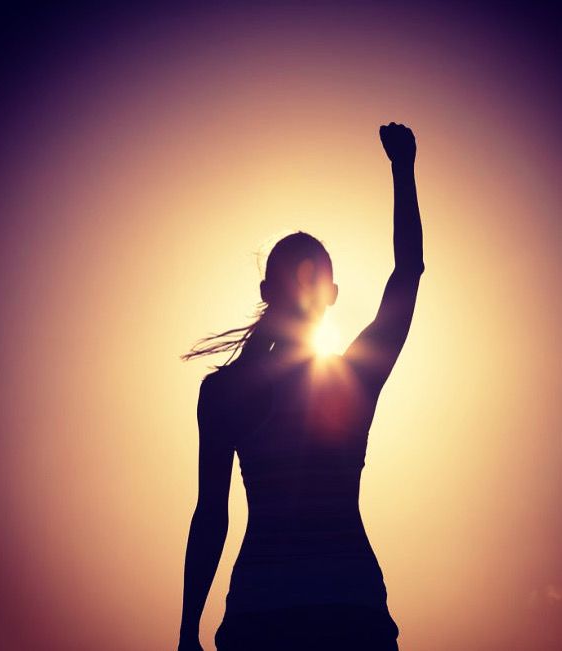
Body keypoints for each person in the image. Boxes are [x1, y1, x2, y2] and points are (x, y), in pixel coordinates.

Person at [177, 122, 425, 650]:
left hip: (263, 614)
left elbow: (210, 517)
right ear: (332, 295)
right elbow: (408, 273)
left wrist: (186, 631)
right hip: (347, 609)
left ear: (266, 290)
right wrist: (403, 170)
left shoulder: (224, 392)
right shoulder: (355, 377)